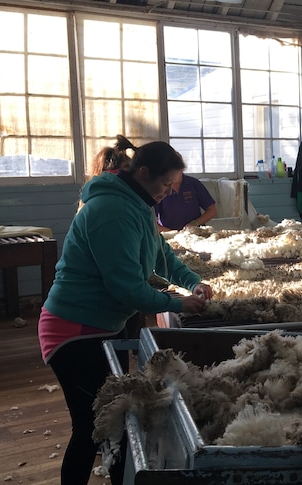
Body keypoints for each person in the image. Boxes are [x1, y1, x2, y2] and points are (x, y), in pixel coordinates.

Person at [38, 134, 214, 485]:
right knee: (94, 426)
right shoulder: (111, 211)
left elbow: (160, 254)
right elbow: (128, 289)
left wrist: (192, 280)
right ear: (144, 173)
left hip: (101, 325)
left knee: (116, 420)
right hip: (73, 330)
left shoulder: (137, 204)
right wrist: (177, 303)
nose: (169, 191)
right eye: (166, 184)